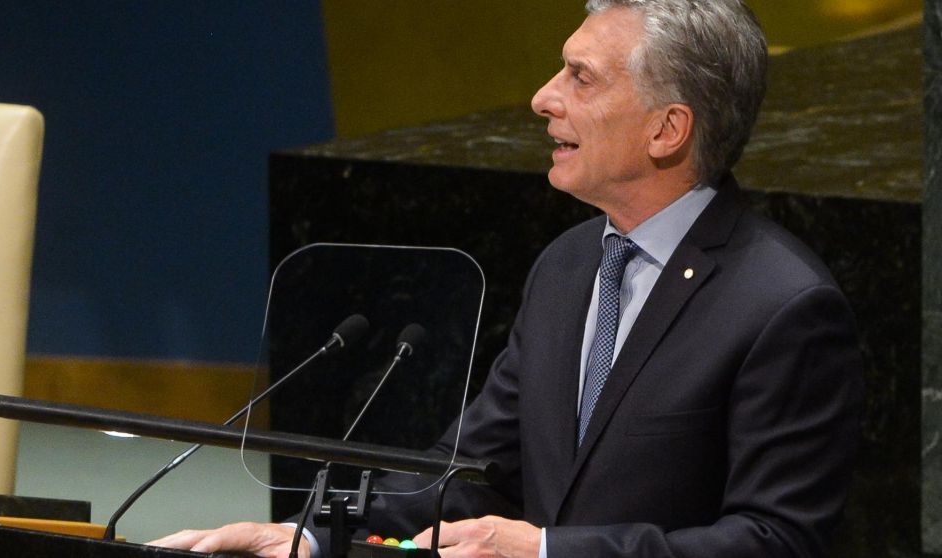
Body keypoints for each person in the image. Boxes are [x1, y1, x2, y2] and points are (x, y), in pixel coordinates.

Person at [150, 0, 863, 556]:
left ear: (666, 129)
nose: (542, 98)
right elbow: (467, 468)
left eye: (580, 78)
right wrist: (310, 535)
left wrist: (550, 551)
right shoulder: (571, 264)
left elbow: (776, 541)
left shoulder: (782, 305)